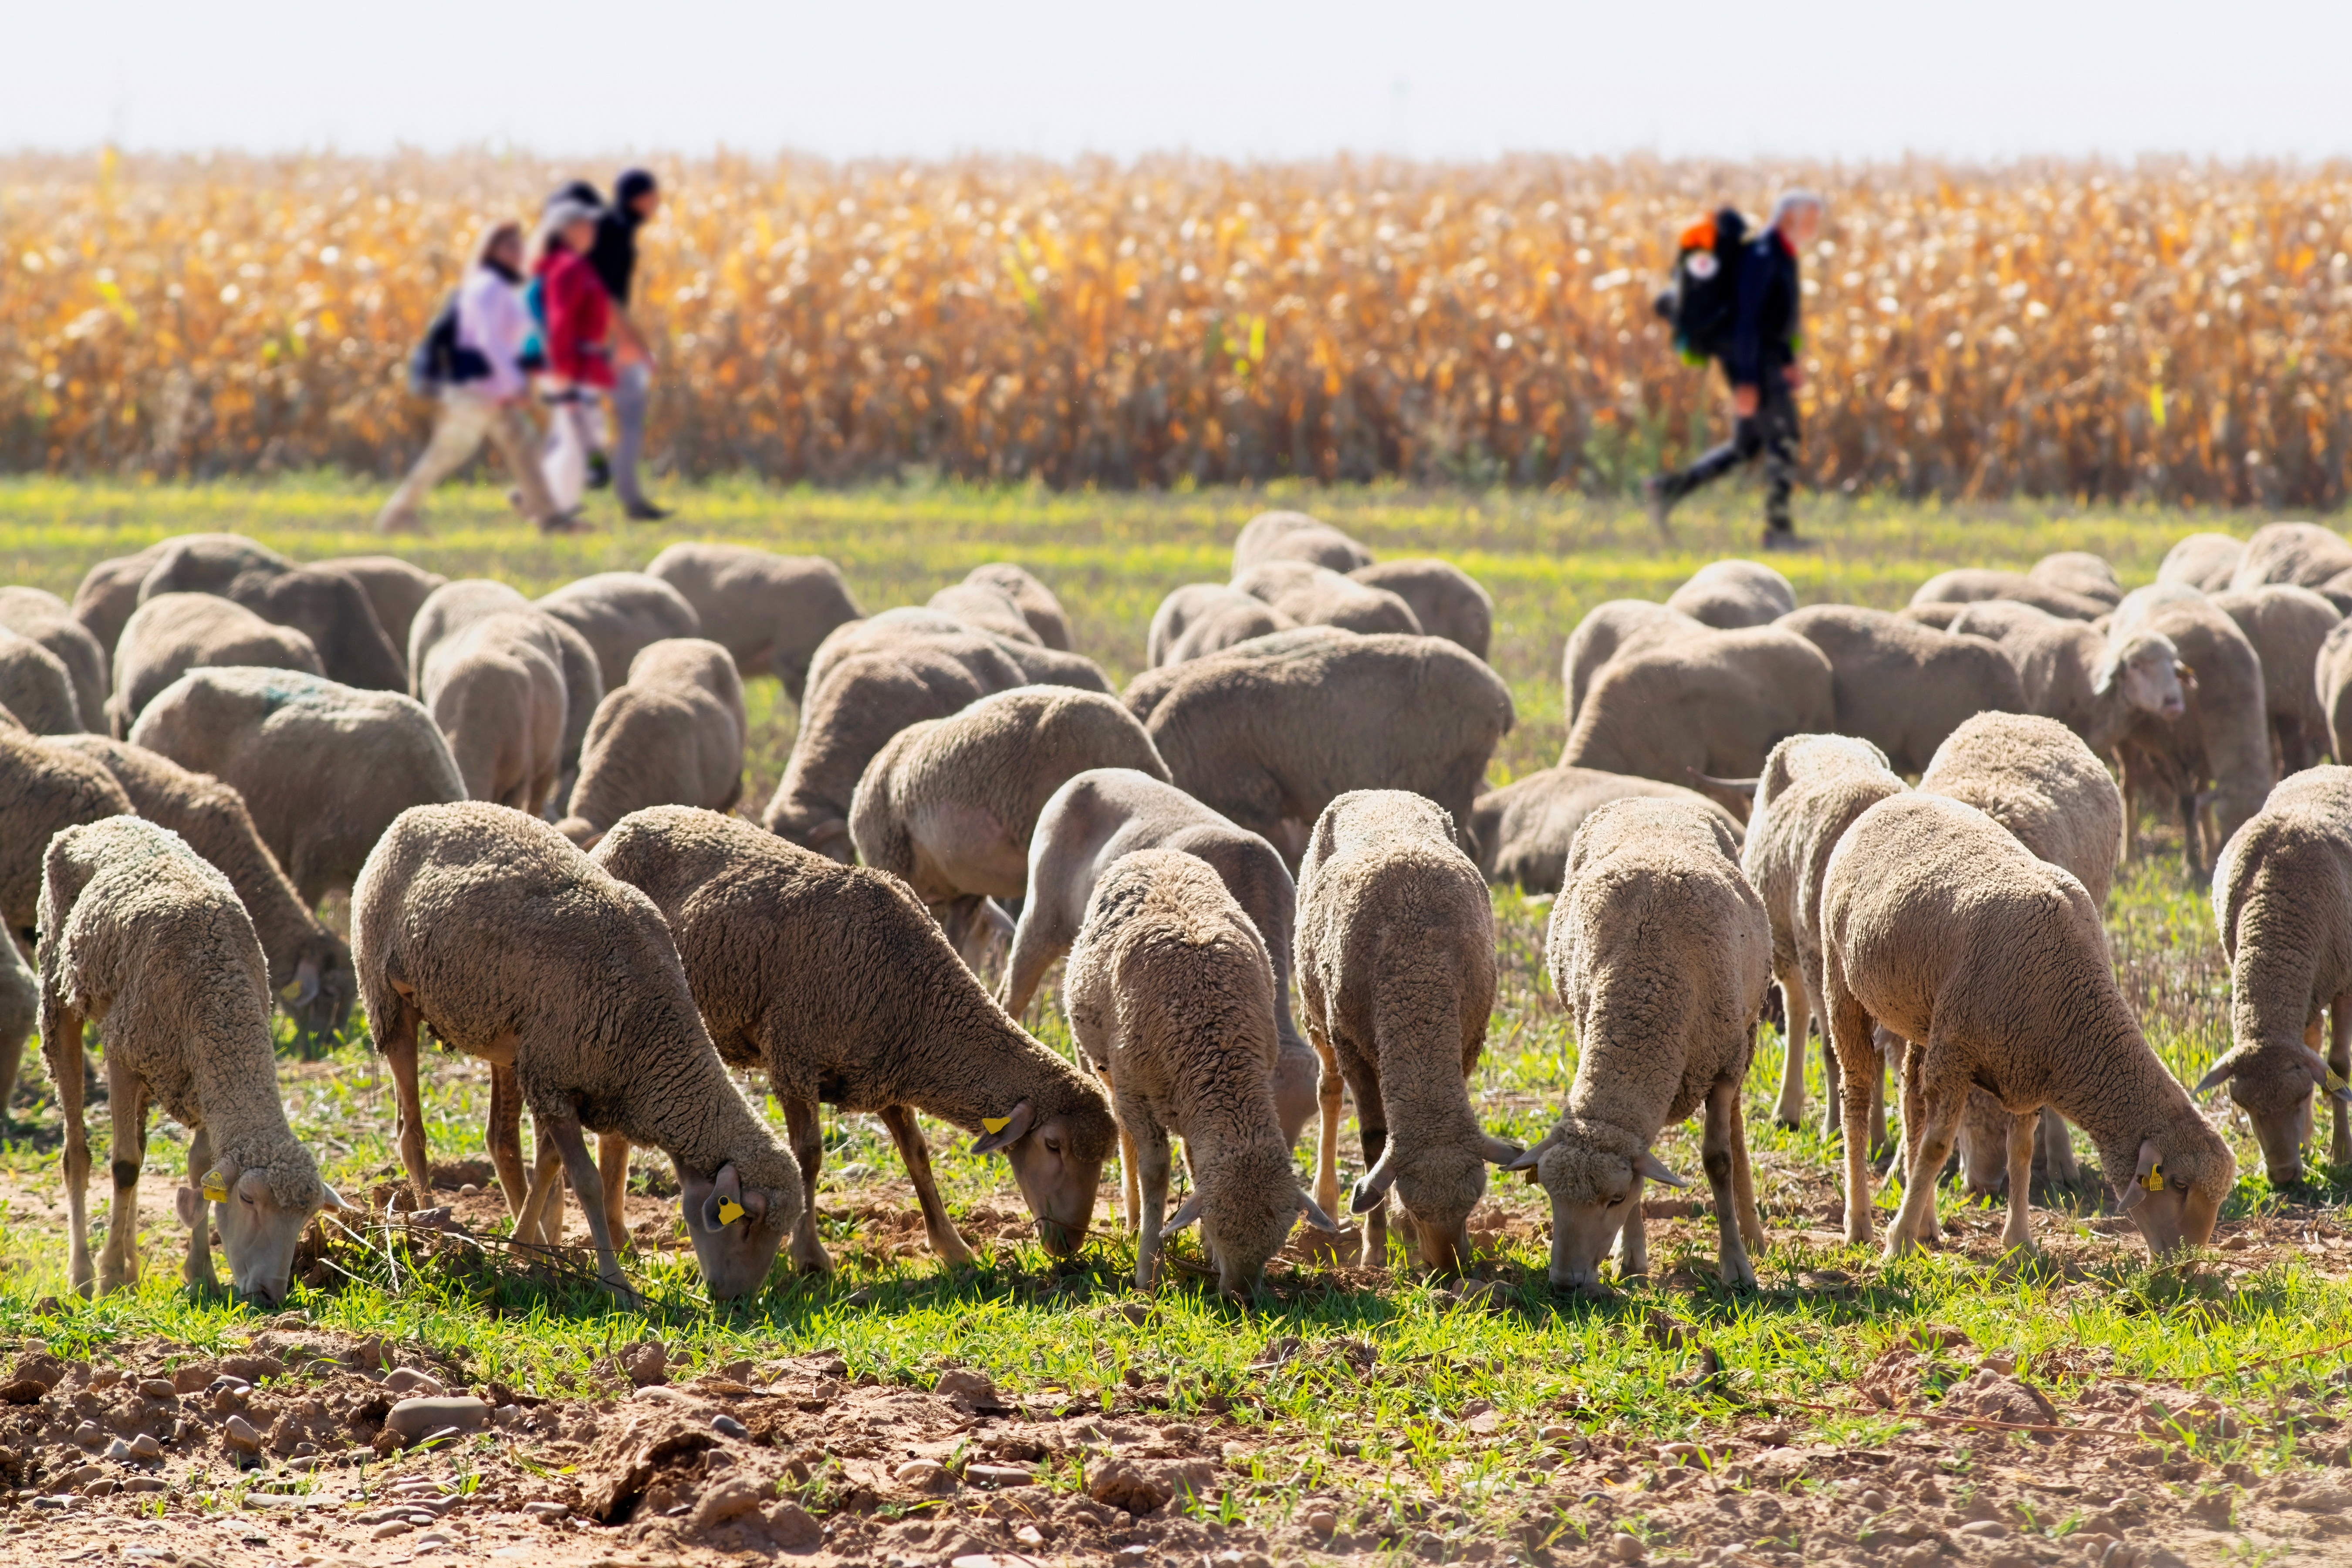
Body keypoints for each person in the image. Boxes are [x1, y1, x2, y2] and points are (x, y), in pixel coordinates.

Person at [1645, 190, 1825, 551]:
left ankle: (1667, 490)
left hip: (1766, 360)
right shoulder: (1762, 256)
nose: (1815, 227)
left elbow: (1778, 319)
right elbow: (1748, 321)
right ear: (1789, 217)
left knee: (1746, 446)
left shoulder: (1781, 254)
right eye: (1810, 219)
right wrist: (1746, 381)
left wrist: (1789, 362)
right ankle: (1778, 531)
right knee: (1784, 438)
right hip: (1752, 361)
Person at [375, 223, 566, 534]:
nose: (518, 253)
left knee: (524, 447)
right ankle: (398, 513)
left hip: (491, 390)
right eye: (510, 247)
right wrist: (515, 384)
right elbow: (490, 342)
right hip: (476, 390)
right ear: (491, 250)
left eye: (520, 246)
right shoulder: (490, 286)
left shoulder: (500, 286)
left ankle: (550, 518)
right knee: (448, 453)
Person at [551, 169, 668, 520]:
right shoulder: (616, 229)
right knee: (620, 417)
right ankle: (625, 497)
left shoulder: (614, 228)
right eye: (653, 195)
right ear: (639, 197)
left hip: (590, 339)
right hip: (600, 340)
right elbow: (605, 295)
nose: (658, 202)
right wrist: (630, 343)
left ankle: (548, 495)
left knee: (577, 418)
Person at [533, 199, 615, 525]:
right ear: (566, 229)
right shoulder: (568, 267)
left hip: (575, 363)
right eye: (585, 224)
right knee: (575, 440)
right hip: (571, 365)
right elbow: (561, 321)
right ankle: (557, 514)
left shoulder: (561, 265)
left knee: (578, 436)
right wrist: (564, 373)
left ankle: (541, 501)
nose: (593, 230)